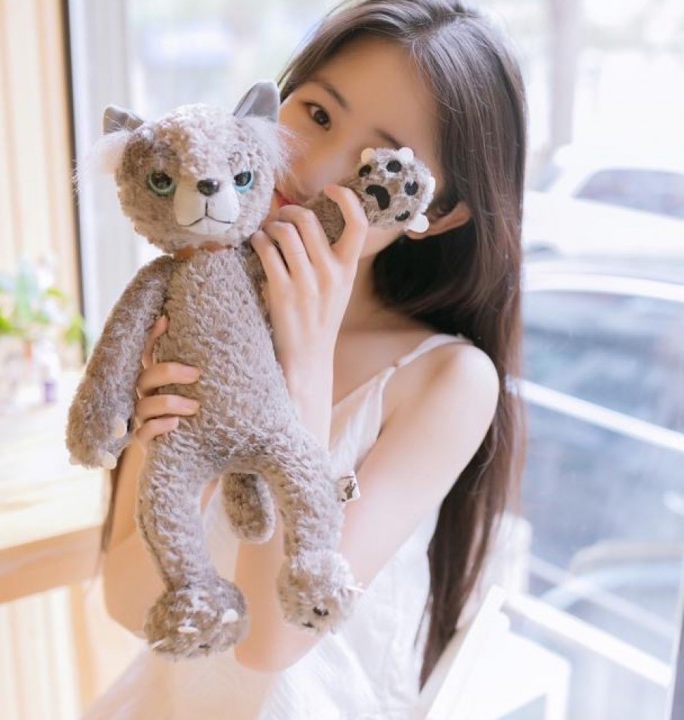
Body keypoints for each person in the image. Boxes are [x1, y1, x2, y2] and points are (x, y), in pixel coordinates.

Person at [83, 0, 527, 717]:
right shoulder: (191, 316)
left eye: (375, 161)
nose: (314, 169)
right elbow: (126, 600)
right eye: (317, 114)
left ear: (435, 211)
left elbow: (273, 642)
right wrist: (176, 448)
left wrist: (305, 364)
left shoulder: (447, 381)